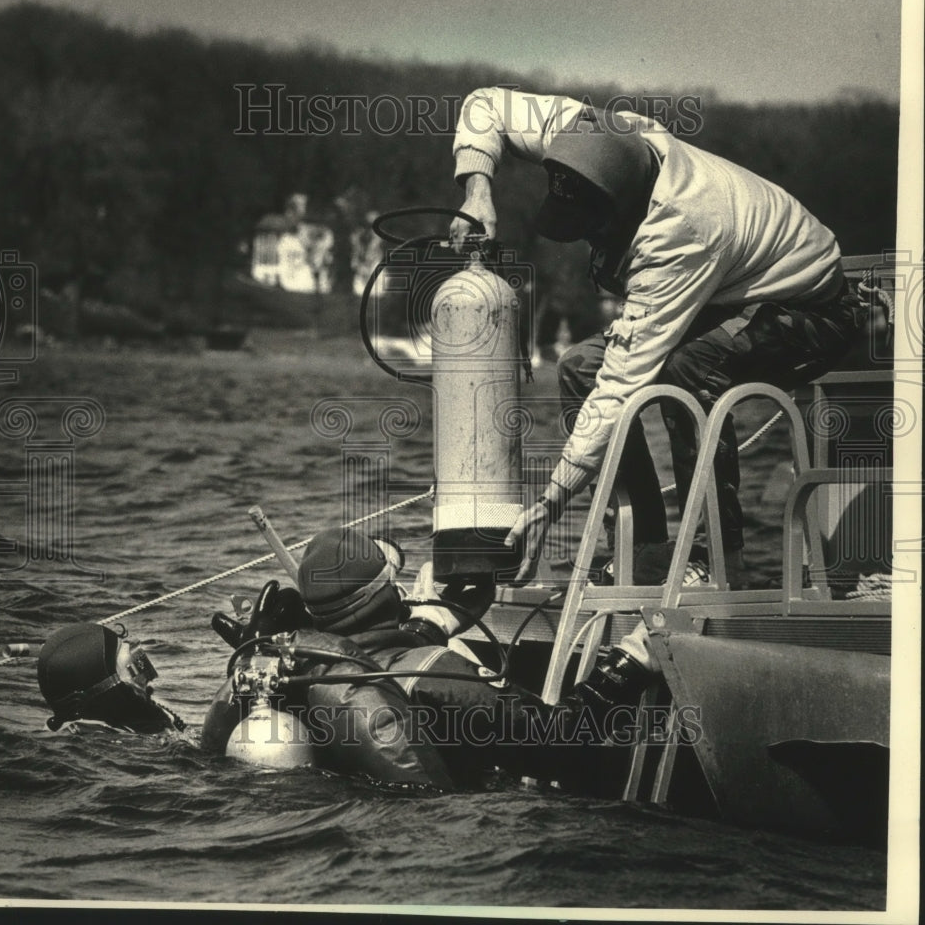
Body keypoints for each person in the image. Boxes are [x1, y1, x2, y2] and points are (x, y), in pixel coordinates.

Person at [449, 87, 868, 588]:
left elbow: (623, 383)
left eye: (593, 231)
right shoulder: (585, 133)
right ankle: (642, 549)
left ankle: (716, 560)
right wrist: (477, 191)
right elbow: (485, 104)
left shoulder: (680, 232)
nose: (588, 243)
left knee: (688, 368)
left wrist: (551, 502)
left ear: (620, 209)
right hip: (724, 294)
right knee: (578, 366)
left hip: (811, 309)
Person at [242, 527, 657, 790]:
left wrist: (431, 623)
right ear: (391, 593)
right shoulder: (434, 673)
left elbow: (371, 651)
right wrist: (628, 664)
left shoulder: (307, 669)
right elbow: (557, 741)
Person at [37, 622, 183, 734]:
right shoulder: (120, 745)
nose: (150, 687)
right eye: (134, 672)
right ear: (106, 695)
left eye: (141, 666)